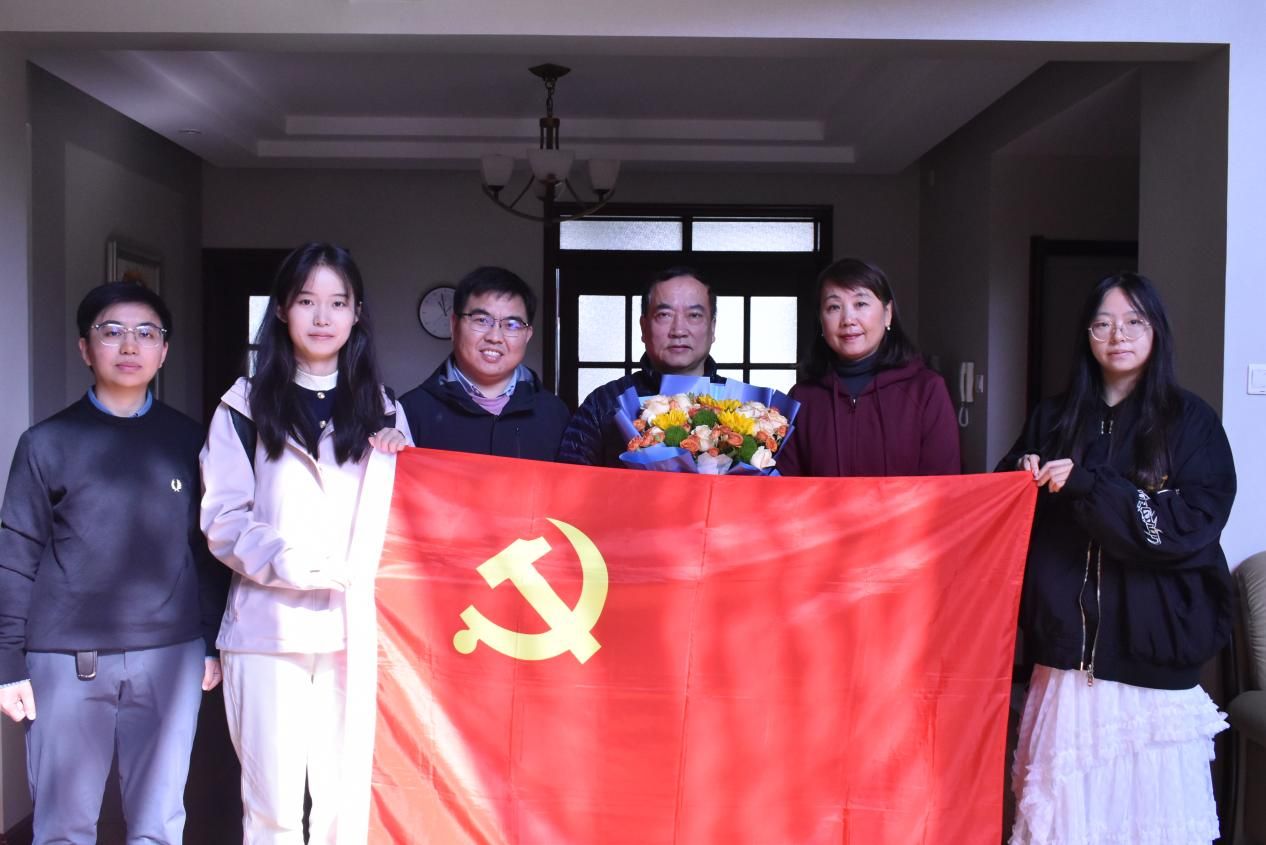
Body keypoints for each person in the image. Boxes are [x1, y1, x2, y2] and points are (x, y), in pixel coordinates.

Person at [998, 272, 1235, 844]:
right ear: (1086, 334)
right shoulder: (1054, 418)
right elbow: (1005, 512)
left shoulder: (1191, 421)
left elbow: (1192, 523)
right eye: (1102, 323)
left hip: (1153, 655)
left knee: (1148, 820)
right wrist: (1020, 474)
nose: (1117, 335)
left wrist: (1090, 486)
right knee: (1067, 819)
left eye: (1133, 322)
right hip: (1066, 657)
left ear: (1156, 332)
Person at [0, 281, 225, 844]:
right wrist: (7, 664)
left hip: (171, 654)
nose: (130, 345)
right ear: (85, 347)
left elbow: (207, 549)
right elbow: (15, 555)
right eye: (112, 332)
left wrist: (210, 641)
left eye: (146, 333)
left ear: (164, 350)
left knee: (158, 824)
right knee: (63, 827)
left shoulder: (191, 441)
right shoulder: (46, 442)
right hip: (66, 658)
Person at [200, 242, 409, 844]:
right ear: (282, 310)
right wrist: (297, 563)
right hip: (267, 630)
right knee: (274, 808)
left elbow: (406, 525)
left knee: (346, 805)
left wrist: (404, 461)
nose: (322, 317)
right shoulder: (242, 406)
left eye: (338, 303)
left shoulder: (384, 410)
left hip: (354, 631)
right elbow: (223, 519)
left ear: (356, 314)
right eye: (306, 301)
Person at [776, 257, 959, 476]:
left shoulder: (927, 390)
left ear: (887, 313)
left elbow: (943, 485)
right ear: (821, 321)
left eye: (860, 304)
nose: (848, 319)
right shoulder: (802, 398)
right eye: (834, 307)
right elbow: (787, 487)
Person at [558, 266, 725, 467]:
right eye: (664, 315)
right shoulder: (603, 403)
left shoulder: (744, 407)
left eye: (694, 315)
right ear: (644, 327)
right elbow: (570, 479)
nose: (678, 330)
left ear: (712, 328)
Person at [400, 266, 570, 460]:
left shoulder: (555, 414)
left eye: (512, 325)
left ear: (527, 335)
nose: (495, 337)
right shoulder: (410, 412)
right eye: (481, 320)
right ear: (454, 325)